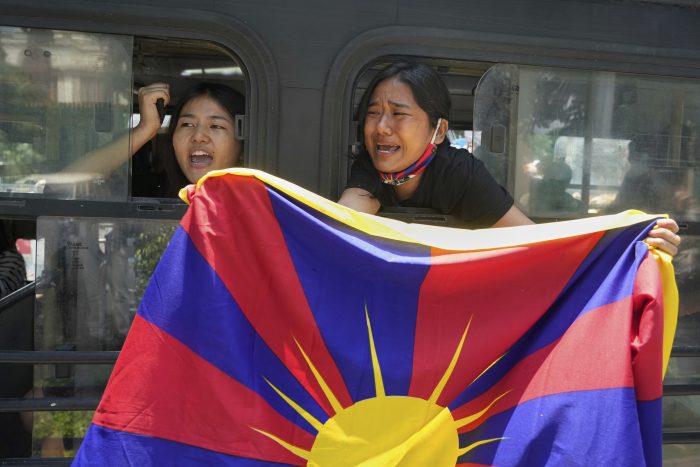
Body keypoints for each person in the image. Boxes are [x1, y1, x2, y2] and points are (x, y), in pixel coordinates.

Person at [338, 61, 681, 256]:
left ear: (439, 131)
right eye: (373, 113)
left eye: (398, 114)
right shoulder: (368, 166)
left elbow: (533, 242)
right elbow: (343, 221)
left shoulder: (460, 175)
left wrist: (630, 247)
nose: (381, 127)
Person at [65, 82, 245, 198]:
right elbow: (64, 185)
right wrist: (145, 129)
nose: (198, 136)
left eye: (216, 126)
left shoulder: (256, 205)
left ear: (243, 144)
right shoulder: (154, 191)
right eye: (187, 124)